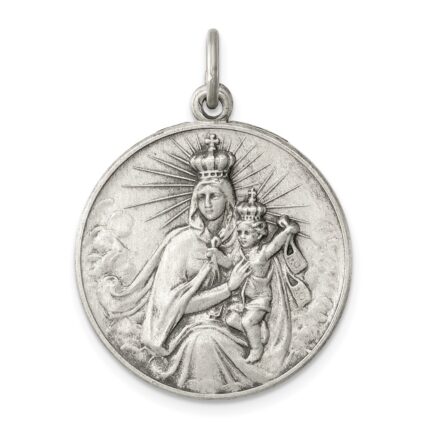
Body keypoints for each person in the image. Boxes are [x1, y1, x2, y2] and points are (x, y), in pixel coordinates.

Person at [98, 134, 295, 394]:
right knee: (204, 342)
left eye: (214, 196)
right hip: (189, 329)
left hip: (243, 323)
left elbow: (266, 267)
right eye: (201, 197)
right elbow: (169, 306)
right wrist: (228, 288)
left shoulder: (242, 238)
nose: (207, 204)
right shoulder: (181, 243)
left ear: (228, 199)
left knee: (223, 337)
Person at [218, 188, 299, 363]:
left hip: (261, 299)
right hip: (244, 300)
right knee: (231, 319)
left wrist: (288, 230)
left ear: (259, 233)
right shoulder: (239, 254)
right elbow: (227, 263)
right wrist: (215, 253)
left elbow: (276, 244)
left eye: (247, 233)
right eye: (240, 232)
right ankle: (259, 329)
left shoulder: (262, 254)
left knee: (247, 322)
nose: (242, 237)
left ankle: (257, 348)